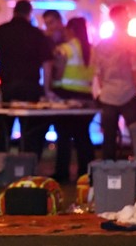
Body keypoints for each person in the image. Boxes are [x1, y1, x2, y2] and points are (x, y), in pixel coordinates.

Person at [0, 0, 53, 159]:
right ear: (29, 13)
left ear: (14, 11)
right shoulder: (37, 33)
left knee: (1, 129)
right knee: (31, 132)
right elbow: (47, 64)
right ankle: (28, 167)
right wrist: (47, 89)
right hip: (31, 89)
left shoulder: (1, 31)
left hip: (7, 89)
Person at [43, 15, 95, 182]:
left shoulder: (64, 49)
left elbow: (58, 71)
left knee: (63, 135)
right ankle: (86, 173)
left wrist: (50, 85)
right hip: (86, 96)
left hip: (66, 95)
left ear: (71, 30)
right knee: (83, 136)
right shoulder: (91, 49)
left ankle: (62, 173)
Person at [92, 5, 136, 160]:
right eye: (126, 15)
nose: (129, 18)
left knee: (108, 138)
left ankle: (107, 172)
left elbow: (98, 74)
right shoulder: (130, 44)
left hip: (108, 96)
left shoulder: (101, 45)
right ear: (120, 18)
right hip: (128, 94)